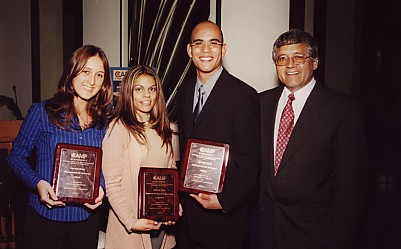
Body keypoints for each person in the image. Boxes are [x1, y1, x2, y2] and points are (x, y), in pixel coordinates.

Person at [257, 29, 369, 249]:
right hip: (263, 233)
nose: (290, 65)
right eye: (282, 58)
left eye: (298, 57)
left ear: (315, 62)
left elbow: (352, 191)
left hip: (314, 237)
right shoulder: (259, 104)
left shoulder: (342, 110)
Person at [6, 45, 113, 249]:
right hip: (45, 218)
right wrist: (37, 183)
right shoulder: (42, 112)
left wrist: (101, 188)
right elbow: (16, 157)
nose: (92, 81)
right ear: (72, 71)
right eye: (86, 72)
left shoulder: (106, 120)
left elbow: (107, 165)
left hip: (86, 220)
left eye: (99, 75)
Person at [176, 20, 261, 249]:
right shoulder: (184, 93)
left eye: (213, 43)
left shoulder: (243, 96)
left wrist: (224, 201)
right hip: (188, 221)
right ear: (189, 50)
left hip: (224, 225)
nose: (205, 50)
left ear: (223, 49)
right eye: (199, 43)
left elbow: (251, 162)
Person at [101, 65, 180, 249]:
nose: (147, 95)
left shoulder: (165, 128)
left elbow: (171, 173)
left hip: (161, 228)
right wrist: (131, 221)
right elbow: (112, 184)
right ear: (129, 92)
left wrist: (174, 205)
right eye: (139, 89)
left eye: (152, 89)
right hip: (130, 229)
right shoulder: (117, 129)